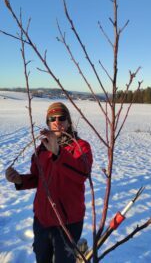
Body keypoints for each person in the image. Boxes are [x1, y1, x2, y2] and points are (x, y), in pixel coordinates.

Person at [5, 102, 93, 263]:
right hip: (42, 220)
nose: (57, 122)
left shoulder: (81, 147)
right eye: (52, 118)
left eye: (61, 118)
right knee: (42, 259)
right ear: (47, 122)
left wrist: (58, 153)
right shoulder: (41, 149)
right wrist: (19, 180)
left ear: (69, 122)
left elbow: (82, 173)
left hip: (68, 222)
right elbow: (38, 179)